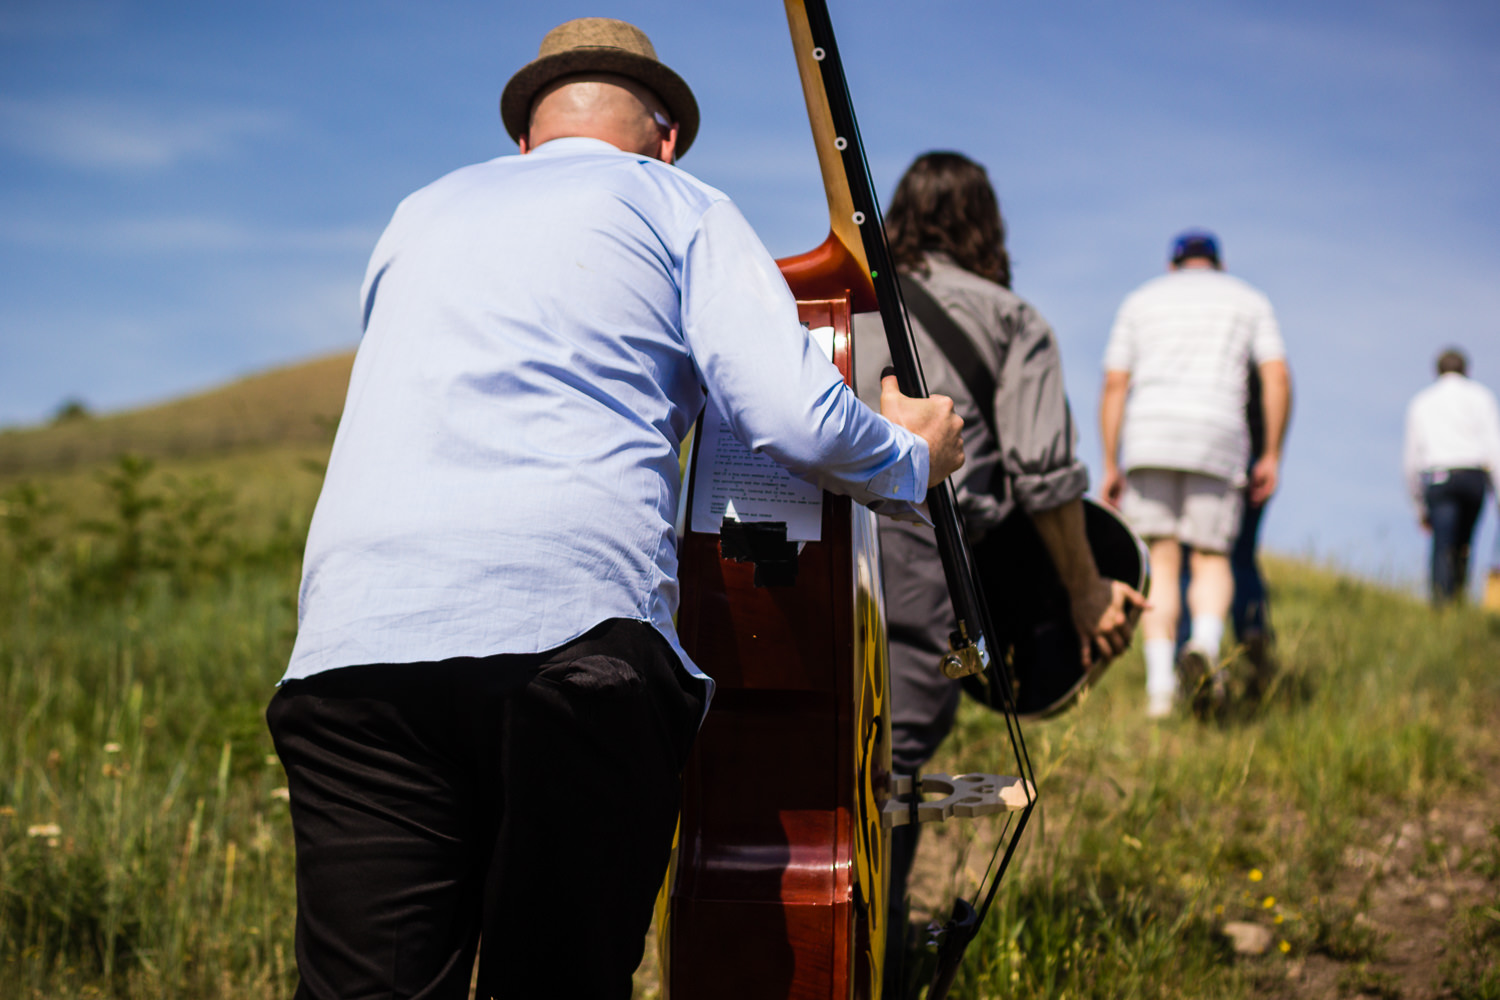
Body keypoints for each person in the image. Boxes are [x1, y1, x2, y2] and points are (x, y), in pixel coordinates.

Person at [264, 19, 966, 1000]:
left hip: (353, 653)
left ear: (526, 139)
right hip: (568, 643)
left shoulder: (418, 212)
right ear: (666, 134)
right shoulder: (675, 201)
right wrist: (912, 456)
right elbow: (787, 416)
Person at [852, 151, 1144, 996]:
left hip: (808, 546)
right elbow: (1046, 473)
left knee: (828, 762)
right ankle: (870, 961)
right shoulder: (1013, 319)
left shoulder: (842, 297)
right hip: (914, 549)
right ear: (987, 225)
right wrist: (1086, 593)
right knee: (889, 769)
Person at [1100, 229, 1290, 718]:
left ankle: (1160, 690)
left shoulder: (1142, 299)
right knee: (1210, 557)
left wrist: (1110, 461)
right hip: (1218, 435)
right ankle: (1205, 645)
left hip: (1149, 437)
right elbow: (1276, 375)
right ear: (1217, 264)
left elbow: (1116, 383)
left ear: (1173, 265)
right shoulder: (1248, 299)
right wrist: (1270, 451)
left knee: (1160, 564)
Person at [1175, 362, 1285, 695]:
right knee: (1240, 554)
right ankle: (1252, 627)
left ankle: (1190, 652)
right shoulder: (1253, 345)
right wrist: (1271, 453)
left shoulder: (1192, 345)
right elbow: (1279, 384)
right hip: (1245, 454)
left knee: (1189, 563)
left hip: (1197, 456)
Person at [1403, 347, 1500, 605]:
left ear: (1436, 371)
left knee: (1443, 544)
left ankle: (1441, 605)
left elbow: (1411, 460)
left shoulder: (1422, 402)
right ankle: (1457, 599)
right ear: (1466, 370)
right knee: (1465, 544)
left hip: (1439, 478)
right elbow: (1494, 449)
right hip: (1474, 478)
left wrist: (1418, 505)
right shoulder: (1482, 397)